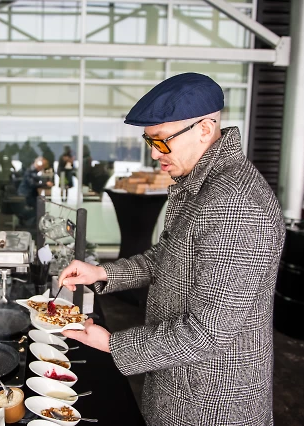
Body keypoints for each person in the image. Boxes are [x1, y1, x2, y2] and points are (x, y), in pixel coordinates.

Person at [59, 73, 285, 426]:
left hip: (210, 403)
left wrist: (113, 344)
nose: (154, 153)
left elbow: (208, 332)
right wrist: (101, 272)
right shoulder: (203, 183)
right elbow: (167, 256)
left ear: (205, 130)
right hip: (179, 382)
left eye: (162, 141)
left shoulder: (235, 204)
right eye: (149, 141)